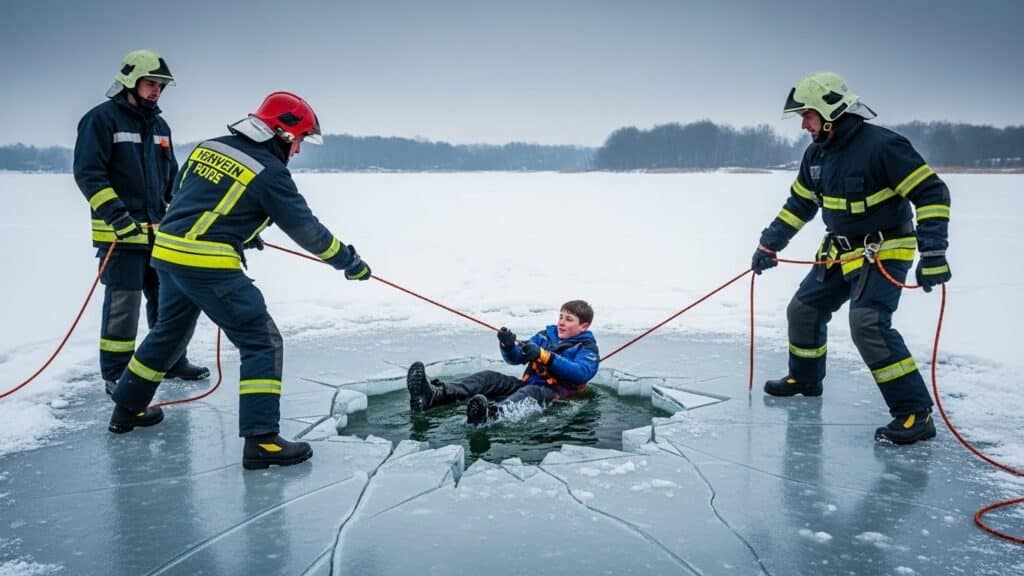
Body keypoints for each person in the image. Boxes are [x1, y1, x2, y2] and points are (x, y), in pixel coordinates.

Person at [107, 91, 373, 470]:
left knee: (167, 333)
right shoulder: (270, 172)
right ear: (282, 134)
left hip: (166, 255)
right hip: (208, 265)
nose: (297, 151)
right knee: (262, 342)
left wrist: (239, 229)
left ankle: (126, 409)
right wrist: (348, 261)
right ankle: (262, 441)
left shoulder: (208, 147)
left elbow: (189, 195)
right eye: (298, 141)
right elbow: (307, 231)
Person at [751, 71, 951, 445]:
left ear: (830, 110)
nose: (803, 126)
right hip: (840, 252)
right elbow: (799, 204)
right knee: (803, 311)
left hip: (884, 250)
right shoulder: (816, 154)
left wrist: (934, 252)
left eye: (807, 116)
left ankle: (914, 412)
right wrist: (769, 244)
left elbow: (931, 192)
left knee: (868, 323)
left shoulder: (883, 147)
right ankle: (806, 379)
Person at [74, 49, 209, 394]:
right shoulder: (100, 120)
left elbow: (172, 180)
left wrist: (183, 216)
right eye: (151, 84)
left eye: (161, 86)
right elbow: (89, 175)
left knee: (169, 303)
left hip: (160, 236)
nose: (157, 91)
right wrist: (118, 216)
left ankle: (171, 361)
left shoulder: (161, 126)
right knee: (124, 308)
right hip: (121, 237)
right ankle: (117, 372)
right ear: (130, 81)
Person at [406, 300, 599, 424]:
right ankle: (435, 395)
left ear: (584, 326)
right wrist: (507, 346)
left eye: (569, 319)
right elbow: (516, 358)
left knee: (531, 392)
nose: (561, 322)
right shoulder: (544, 336)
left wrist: (546, 356)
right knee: (489, 377)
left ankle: (491, 415)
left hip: (554, 396)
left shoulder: (587, 349)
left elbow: (581, 372)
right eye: (561, 317)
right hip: (526, 385)